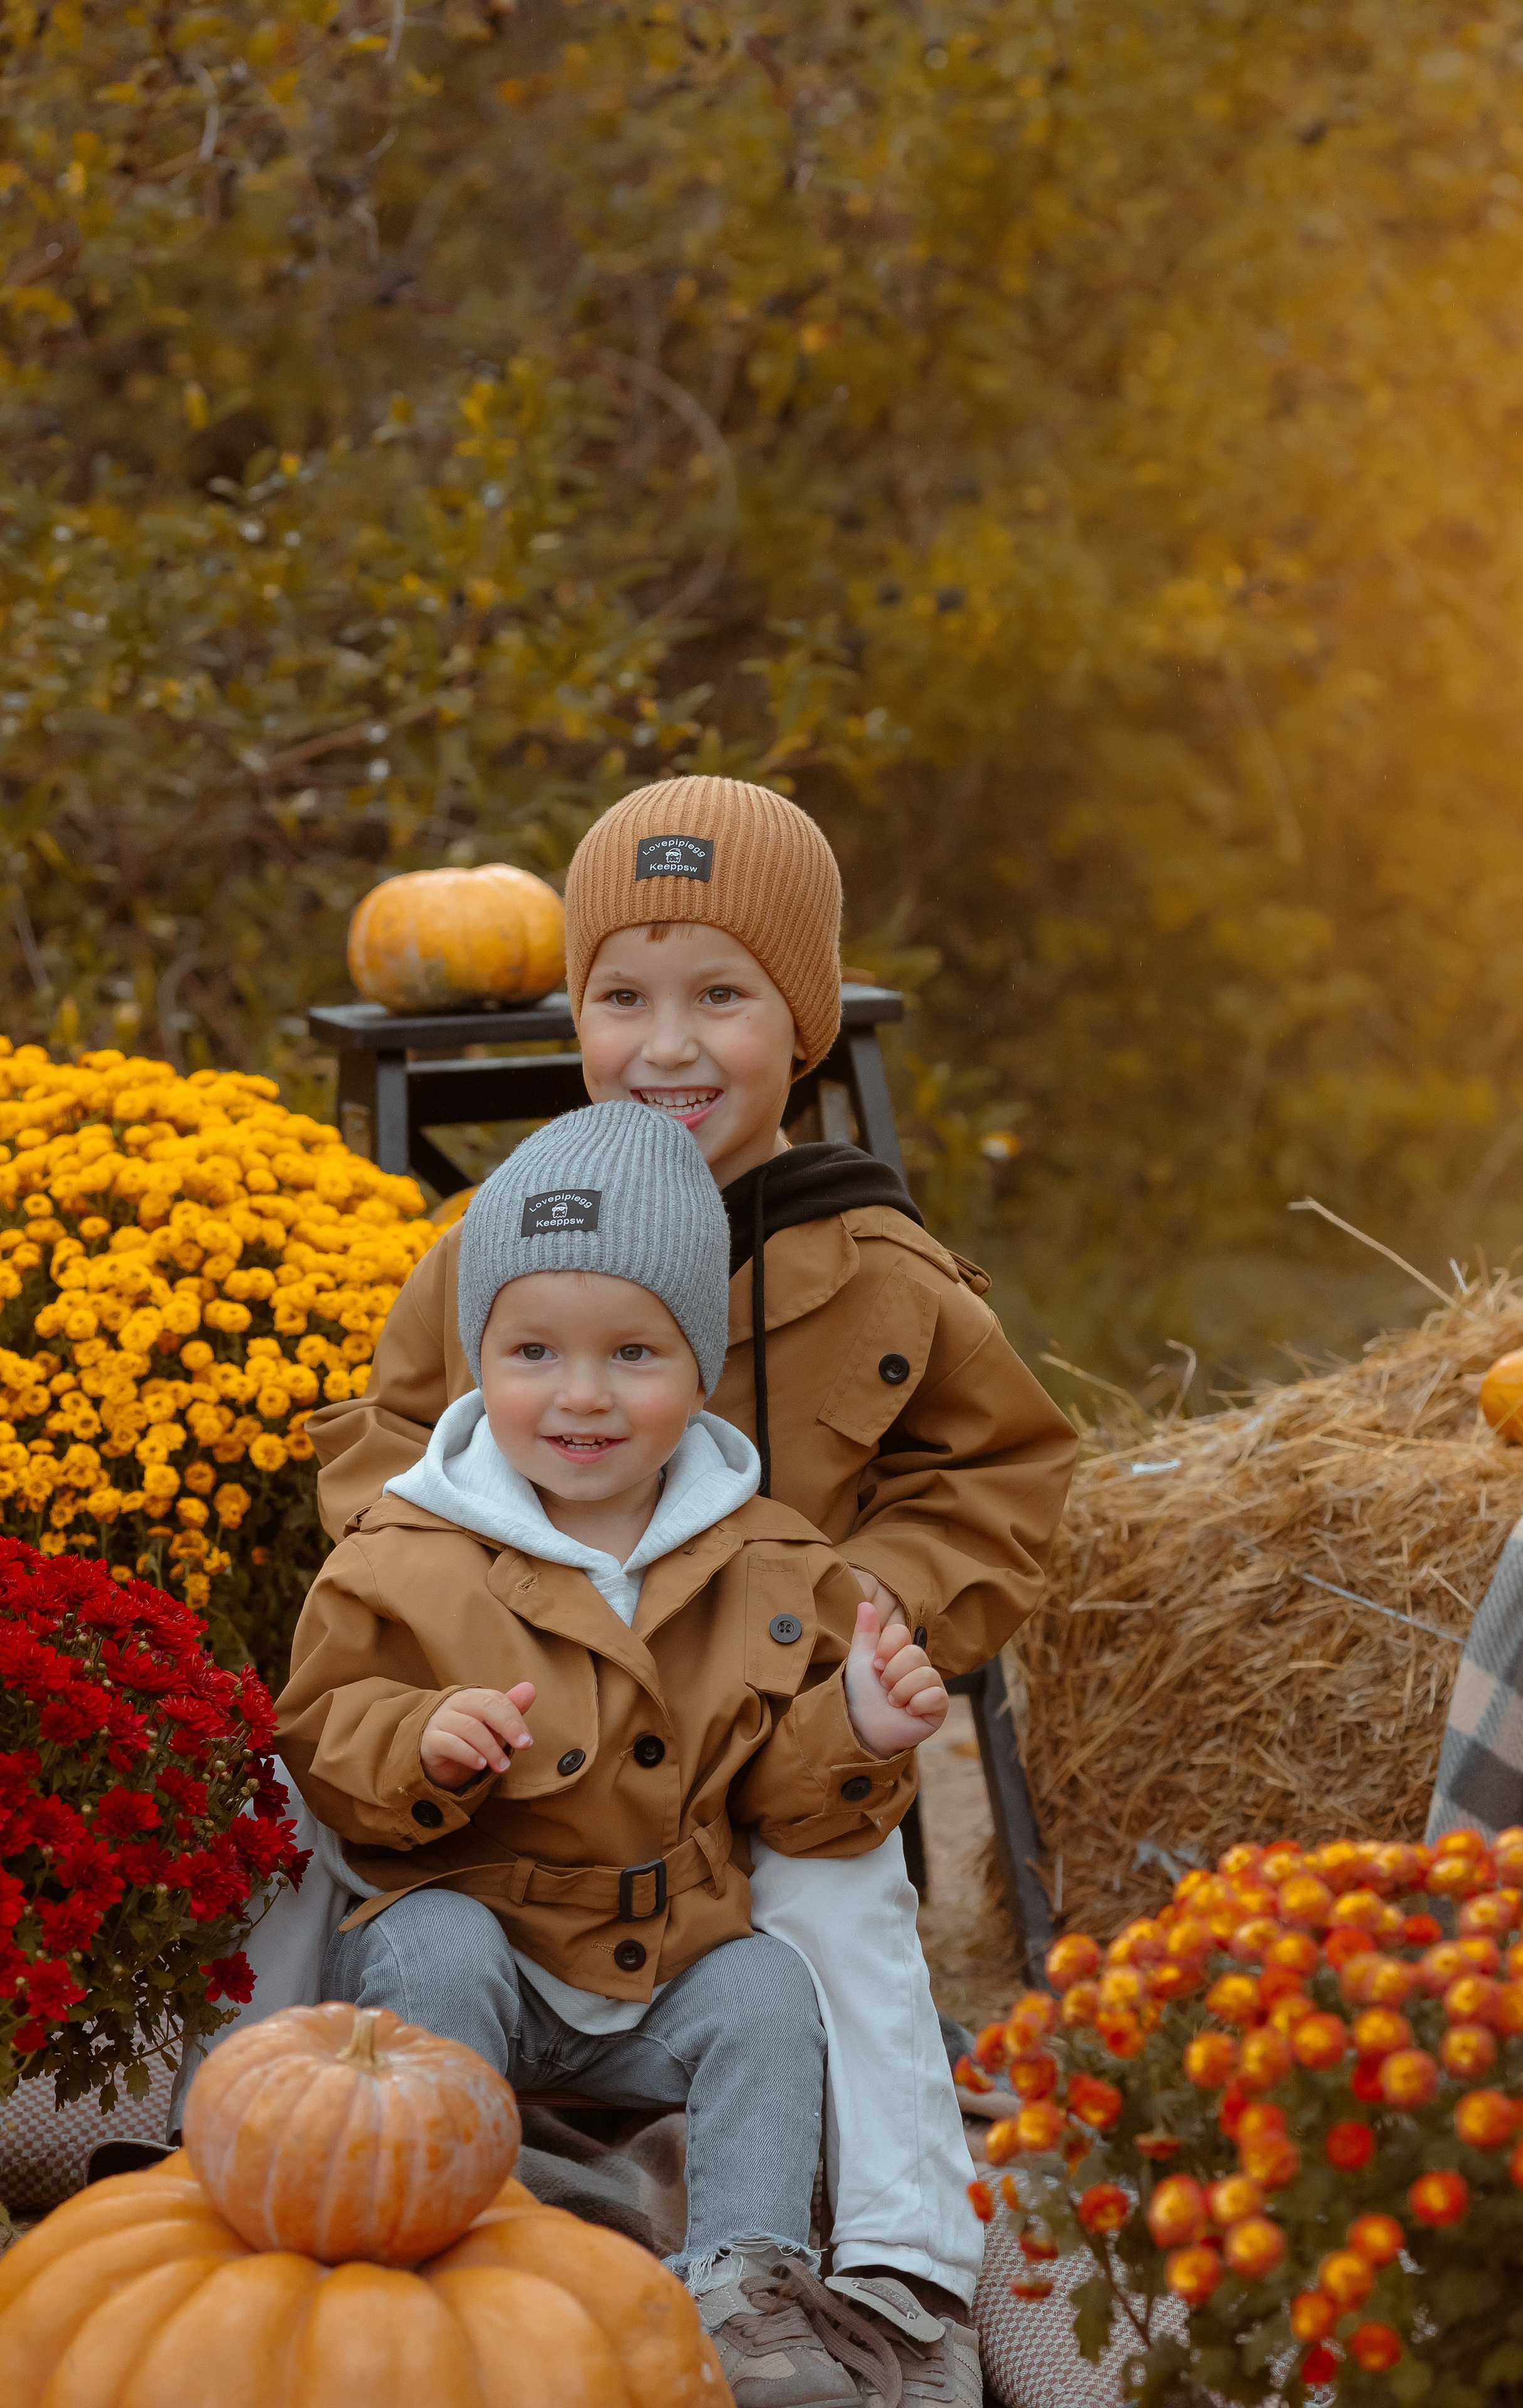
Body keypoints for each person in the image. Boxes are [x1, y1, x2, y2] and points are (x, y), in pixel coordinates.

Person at [310, 774, 1078, 2396]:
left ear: (802, 1020)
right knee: (409, 1914)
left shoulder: (874, 1267)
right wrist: (463, 1592)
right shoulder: (502, 1243)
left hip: (775, 1740)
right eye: (623, 998)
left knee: (835, 1902)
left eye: (721, 996)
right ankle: (446, 2200)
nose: (669, 1046)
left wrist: (857, 1616)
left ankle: (899, 2261)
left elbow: (995, 1472)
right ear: (574, 1012)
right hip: (550, 1744)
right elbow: (392, 1441)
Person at [279, 1101, 949, 2408]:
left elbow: (781, 1796)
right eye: (533, 1351)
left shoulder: (770, 1560)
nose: (580, 1395)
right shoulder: (403, 1554)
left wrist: (858, 1731)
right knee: (437, 1948)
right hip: (475, 1932)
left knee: (765, 1990)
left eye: (633, 1354)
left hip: (665, 1956)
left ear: (698, 1368)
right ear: (478, 1359)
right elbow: (318, 1731)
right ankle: (442, 2251)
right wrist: (418, 1741)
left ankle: (744, 2287)